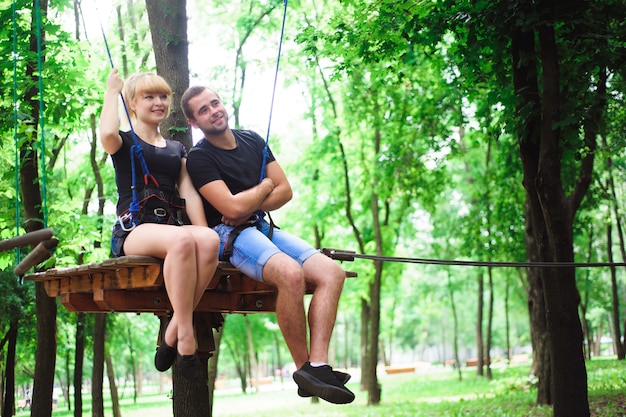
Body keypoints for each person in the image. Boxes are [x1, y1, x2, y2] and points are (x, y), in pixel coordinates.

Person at [181, 86, 354, 404]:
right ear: (194, 122)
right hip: (227, 234)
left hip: (262, 226)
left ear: (224, 105)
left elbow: (286, 191)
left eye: (215, 103)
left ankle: (316, 366)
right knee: (289, 274)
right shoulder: (199, 157)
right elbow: (230, 211)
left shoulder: (253, 140)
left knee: (332, 274)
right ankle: (303, 366)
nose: (213, 111)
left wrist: (248, 201)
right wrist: (264, 186)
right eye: (203, 110)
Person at [99, 69, 220, 380]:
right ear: (133, 104)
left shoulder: (176, 148)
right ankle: (186, 338)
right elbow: (106, 135)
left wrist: (205, 229)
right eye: (149, 97)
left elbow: (189, 193)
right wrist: (112, 92)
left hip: (169, 227)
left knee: (207, 241)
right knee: (181, 241)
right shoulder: (123, 143)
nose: (159, 102)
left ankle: (171, 334)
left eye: (163, 96)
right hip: (134, 229)